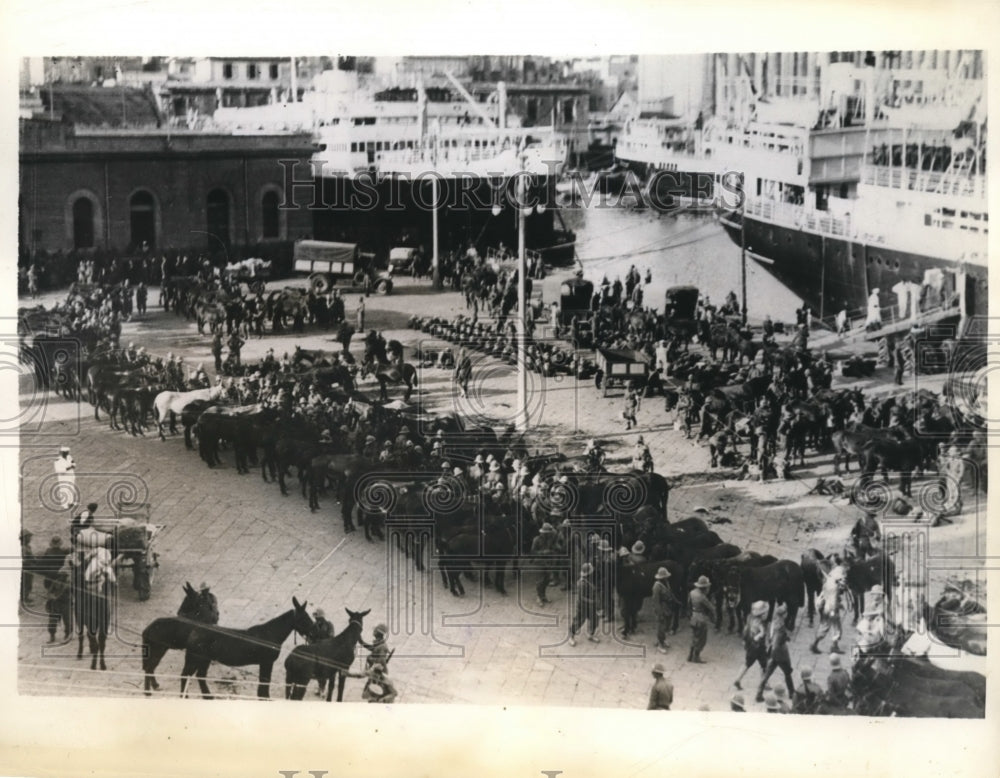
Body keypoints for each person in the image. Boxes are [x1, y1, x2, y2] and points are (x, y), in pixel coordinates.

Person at [756, 602, 795, 702]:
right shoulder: (780, 626)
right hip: (780, 654)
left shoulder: (773, 623)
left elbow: (772, 638)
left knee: (767, 675)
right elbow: (777, 642)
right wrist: (776, 654)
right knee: (787, 672)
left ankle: (759, 693)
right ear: (783, 614)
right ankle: (792, 692)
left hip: (774, 653)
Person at [810, 566, 846, 655]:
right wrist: (836, 609)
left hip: (825, 608)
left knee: (824, 626)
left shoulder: (828, 582)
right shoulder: (835, 587)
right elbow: (833, 600)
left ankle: (815, 644)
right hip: (832, 609)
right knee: (836, 627)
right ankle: (834, 647)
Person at [733, 600, 769, 690]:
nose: (766, 615)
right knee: (764, 665)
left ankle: (738, 679)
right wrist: (760, 635)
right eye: (765, 613)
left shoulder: (749, 618)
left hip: (750, 647)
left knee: (747, 663)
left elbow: (745, 631)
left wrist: (745, 641)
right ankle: (764, 683)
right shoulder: (761, 623)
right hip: (759, 648)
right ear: (762, 614)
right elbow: (762, 633)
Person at [568, 562, 599, 646]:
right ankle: (571, 636)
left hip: (591, 605)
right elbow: (581, 597)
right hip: (583, 605)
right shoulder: (582, 583)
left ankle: (590, 634)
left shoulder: (590, 580)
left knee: (594, 619)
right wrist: (592, 601)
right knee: (579, 621)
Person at [687, 575, 716, 663]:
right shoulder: (702, 597)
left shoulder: (692, 593)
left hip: (693, 617)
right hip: (701, 619)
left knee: (694, 636)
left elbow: (688, 604)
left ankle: (690, 655)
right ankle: (696, 657)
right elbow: (712, 608)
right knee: (702, 639)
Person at [652, 567, 679, 653]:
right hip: (661, 607)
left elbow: (670, 593)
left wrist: (676, 601)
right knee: (661, 626)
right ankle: (660, 644)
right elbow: (656, 601)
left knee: (666, 625)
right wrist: (659, 613)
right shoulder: (657, 586)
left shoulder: (666, 583)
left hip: (668, 607)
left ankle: (662, 640)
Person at [531, 522, 558, 606]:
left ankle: (543, 595)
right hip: (539, 562)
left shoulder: (550, 540)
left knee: (546, 580)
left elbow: (553, 548)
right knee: (540, 580)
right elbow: (533, 552)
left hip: (548, 562)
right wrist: (543, 552)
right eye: (546, 533)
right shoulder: (536, 539)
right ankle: (539, 597)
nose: (547, 535)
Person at [54, 446, 77, 511]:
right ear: (61, 453)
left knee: (71, 489)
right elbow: (59, 470)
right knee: (64, 490)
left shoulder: (69, 457)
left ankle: (71, 502)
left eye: (67, 452)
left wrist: (73, 465)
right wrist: (69, 467)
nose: (66, 454)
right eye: (64, 453)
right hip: (63, 477)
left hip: (71, 476)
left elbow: (73, 463)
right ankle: (64, 504)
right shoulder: (58, 460)